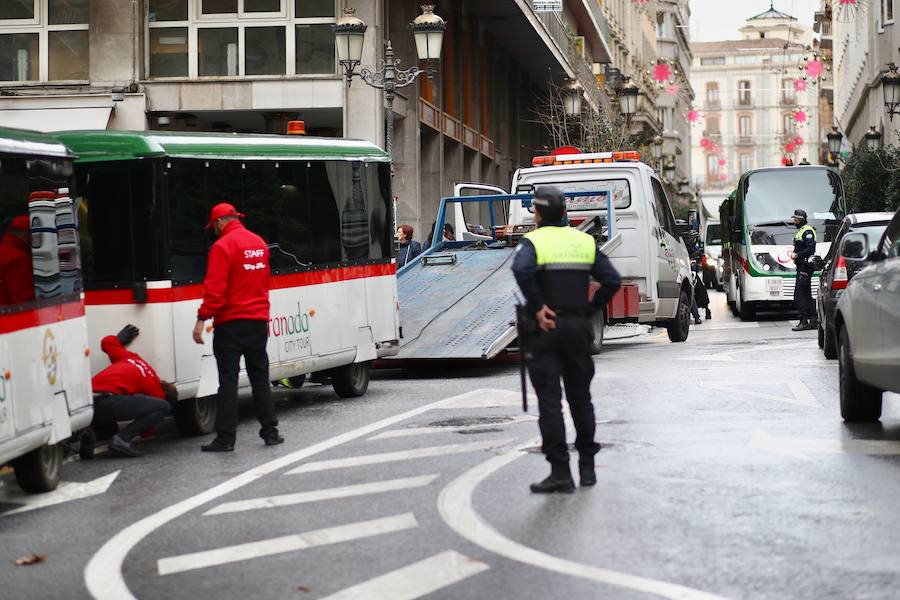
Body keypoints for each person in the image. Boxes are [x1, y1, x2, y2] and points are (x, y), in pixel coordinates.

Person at [512, 186, 621, 494]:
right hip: (577, 327)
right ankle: (587, 469)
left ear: (537, 213)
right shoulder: (584, 241)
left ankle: (561, 473)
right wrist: (590, 308)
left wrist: (538, 307)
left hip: (545, 329)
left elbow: (520, 270)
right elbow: (612, 280)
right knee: (581, 398)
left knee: (550, 403)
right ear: (564, 213)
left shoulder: (533, 241)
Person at [193, 202, 283, 452]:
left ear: (221, 222)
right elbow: (264, 282)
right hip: (257, 322)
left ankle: (226, 438)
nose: (214, 231)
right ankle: (270, 432)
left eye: (214, 227)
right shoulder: (258, 243)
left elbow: (215, 291)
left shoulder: (222, 247)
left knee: (228, 381)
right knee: (260, 378)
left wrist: (201, 319)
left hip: (230, 324)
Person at [90, 325, 176, 457]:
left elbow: (106, 343)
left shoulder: (135, 359)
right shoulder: (158, 394)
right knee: (163, 407)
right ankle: (121, 440)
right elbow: (146, 430)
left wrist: (119, 340)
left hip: (87, 401)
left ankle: (87, 436)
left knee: (110, 428)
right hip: (107, 402)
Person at [790, 208, 817, 332]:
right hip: (802, 266)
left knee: (799, 294)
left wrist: (797, 255)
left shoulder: (807, 231)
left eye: (795, 219)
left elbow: (810, 249)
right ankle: (813, 320)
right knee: (806, 293)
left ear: (800, 219)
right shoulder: (802, 231)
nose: (794, 222)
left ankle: (804, 321)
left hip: (805, 266)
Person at [0, 216, 35, 306]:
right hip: (13, 317)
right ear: (27, 235)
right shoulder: (19, 258)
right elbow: (24, 300)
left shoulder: (4, 252)